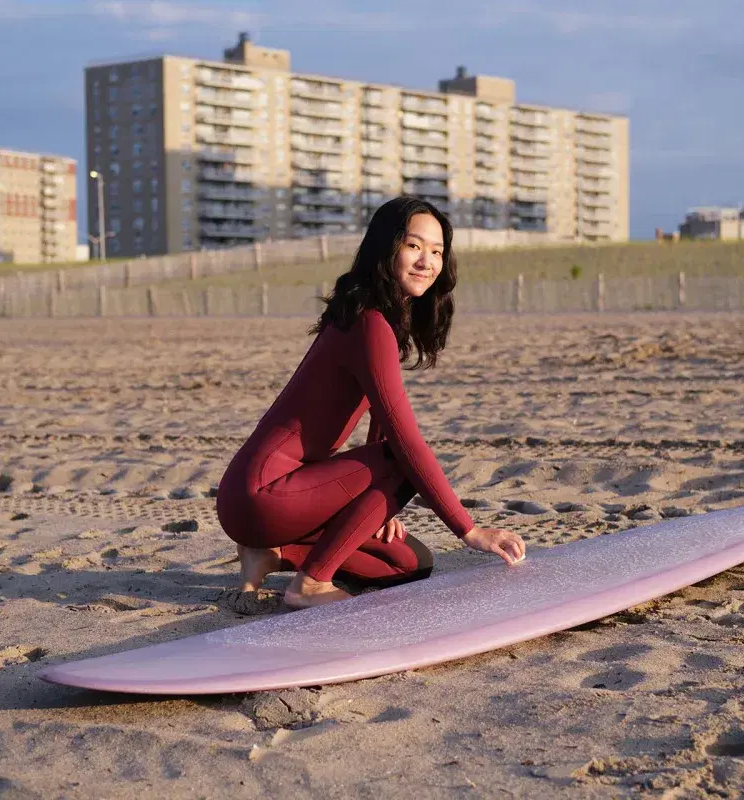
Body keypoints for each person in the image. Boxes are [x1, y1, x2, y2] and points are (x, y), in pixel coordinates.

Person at [215, 196, 526, 609]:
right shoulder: (369, 323)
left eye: (436, 251)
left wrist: (379, 505)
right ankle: (309, 585)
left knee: (408, 564)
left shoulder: (375, 320)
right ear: (386, 248)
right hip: (263, 495)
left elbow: (382, 420)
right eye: (414, 246)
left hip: (262, 500)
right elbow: (404, 443)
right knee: (403, 459)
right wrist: (469, 531)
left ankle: (271, 554)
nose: (427, 262)